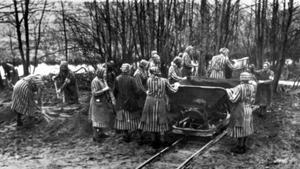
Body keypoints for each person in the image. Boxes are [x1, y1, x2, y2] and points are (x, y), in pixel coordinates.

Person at [139, 66, 180, 148]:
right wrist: (176, 85)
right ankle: (162, 139)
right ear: (159, 72)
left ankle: (153, 140)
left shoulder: (149, 80)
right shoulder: (164, 80)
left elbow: (152, 88)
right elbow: (173, 90)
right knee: (160, 119)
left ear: (151, 73)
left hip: (149, 101)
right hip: (159, 101)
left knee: (151, 120)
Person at [226, 72, 257, 154]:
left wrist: (228, 91)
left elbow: (234, 99)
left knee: (240, 127)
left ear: (241, 78)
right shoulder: (252, 87)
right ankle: (244, 145)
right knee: (247, 127)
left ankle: (239, 147)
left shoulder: (239, 87)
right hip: (248, 109)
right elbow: (253, 99)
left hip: (240, 109)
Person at [114, 63, 140, 142]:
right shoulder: (131, 79)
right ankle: (133, 134)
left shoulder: (117, 78)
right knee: (132, 118)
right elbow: (136, 90)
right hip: (130, 102)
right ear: (129, 70)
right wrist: (137, 97)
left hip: (121, 102)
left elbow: (115, 91)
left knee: (123, 119)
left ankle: (125, 134)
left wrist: (117, 98)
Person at [89, 66, 116, 142]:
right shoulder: (95, 81)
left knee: (101, 119)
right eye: (104, 73)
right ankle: (96, 136)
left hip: (102, 102)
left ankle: (101, 133)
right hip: (96, 103)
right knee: (97, 120)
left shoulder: (103, 80)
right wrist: (104, 90)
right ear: (100, 73)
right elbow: (94, 93)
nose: (105, 74)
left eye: (105, 73)